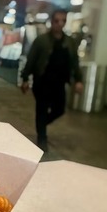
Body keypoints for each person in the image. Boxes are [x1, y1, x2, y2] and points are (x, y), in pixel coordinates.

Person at [19, 9, 84, 150]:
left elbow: (74, 62)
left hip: (59, 83)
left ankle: (41, 124)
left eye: (63, 21)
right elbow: (31, 60)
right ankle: (42, 138)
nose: (60, 24)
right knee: (41, 109)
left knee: (59, 109)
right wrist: (25, 78)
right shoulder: (41, 41)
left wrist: (78, 80)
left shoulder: (70, 42)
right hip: (42, 81)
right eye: (57, 21)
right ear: (51, 22)